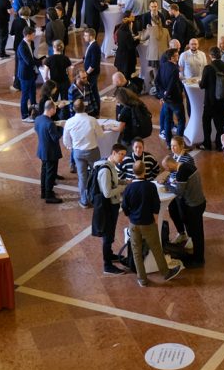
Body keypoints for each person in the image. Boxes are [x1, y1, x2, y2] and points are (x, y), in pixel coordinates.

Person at [121, 160, 184, 286]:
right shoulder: (150, 186)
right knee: (156, 248)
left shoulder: (129, 188)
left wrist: (131, 218)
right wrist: (154, 219)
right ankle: (166, 273)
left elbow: (124, 206)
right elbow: (156, 206)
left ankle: (142, 279)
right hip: (148, 223)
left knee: (136, 251)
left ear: (133, 172)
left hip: (134, 224)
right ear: (144, 171)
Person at [164, 136, 206, 268]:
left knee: (197, 233)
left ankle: (199, 259)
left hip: (194, 205)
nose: (168, 172)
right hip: (198, 202)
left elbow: (179, 192)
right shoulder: (185, 166)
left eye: (168, 169)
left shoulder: (181, 171)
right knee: (197, 232)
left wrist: (167, 185)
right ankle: (197, 255)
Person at [90, 144, 129, 275]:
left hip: (111, 205)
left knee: (110, 233)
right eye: (121, 154)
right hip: (107, 207)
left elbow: (113, 183)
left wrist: (124, 182)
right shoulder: (105, 170)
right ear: (113, 153)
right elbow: (107, 193)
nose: (123, 157)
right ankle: (107, 265)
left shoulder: (111, 165)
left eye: (124, 155)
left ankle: (110, 254)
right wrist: (123, 188)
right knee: (107, 235)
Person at [64, 100, 101, 207]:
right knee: (95, 174)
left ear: (73, 109)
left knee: (82, 176)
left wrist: (73, 147)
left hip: (78, 152)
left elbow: (66, 141)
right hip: (92, 151)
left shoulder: (69, 122)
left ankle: (84, 200)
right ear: (85, 108)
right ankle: (95, 197)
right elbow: (100, 135)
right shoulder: (92, 120)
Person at [34, 100, 64, 204]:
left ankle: (43, 192)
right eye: (55, 108)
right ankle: (49, 195)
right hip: (51, 152)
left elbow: (37, 130)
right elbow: (56, 138)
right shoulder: (50, 123)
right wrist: (61, 128)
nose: (55, 110)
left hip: (42, 150)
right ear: (51, 109)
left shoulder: (38, 119)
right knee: (50, 174)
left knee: (44, 172)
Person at [156, 49, 184, 140]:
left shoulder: (162, 66)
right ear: (172, 58)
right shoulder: (175, 69)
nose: (178, 56)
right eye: (176, 55)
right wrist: (165, 95)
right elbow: (171, 86)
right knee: (181, 120)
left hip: (166, 100)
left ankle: (168, 142)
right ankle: (179, 142)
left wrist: (162, 95)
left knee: (167, 120)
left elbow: (157, 81)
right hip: (175, 99)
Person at [16, 33, 42, 120]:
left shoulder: (31, 43)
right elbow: (28, 61)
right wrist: (40, 62)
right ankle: (24, 116)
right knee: (25, 96)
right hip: (24, 74)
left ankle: (34, 112)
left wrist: (40, 60)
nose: (34, 36)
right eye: (33, 34)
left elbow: (32, 57)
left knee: (32, 93)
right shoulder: (22, 46)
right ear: (27, 35)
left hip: (31, 73)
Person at [113, 11, 138, 78]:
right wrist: (138, 40)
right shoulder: (126, 33)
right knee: (126, 77)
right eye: (132, 16)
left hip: (120, 56)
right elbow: (131, 46)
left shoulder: (120, 29)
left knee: (121, 76)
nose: (134, 17)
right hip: (127, 59)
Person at [82, 28, 102, 95]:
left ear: (91, 36)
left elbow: (94, 63)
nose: (84, 37)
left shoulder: (94, 47)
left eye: (85, 35)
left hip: (92, 73)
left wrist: (87, 73)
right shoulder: (91, 44)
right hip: (90, 72)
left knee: (93, 91)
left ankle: (96, 104)